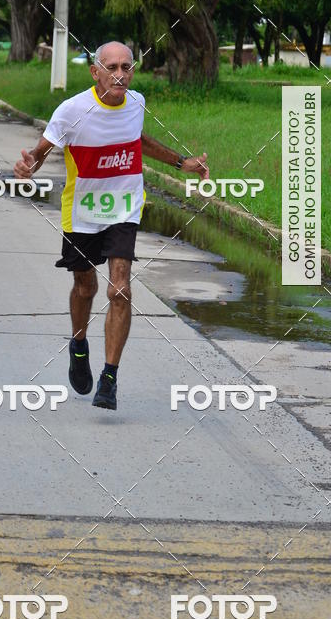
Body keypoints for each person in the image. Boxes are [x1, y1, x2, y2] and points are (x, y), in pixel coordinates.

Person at [13, 41, 209, 411]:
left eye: (126, 67)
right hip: (82, 212)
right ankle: (79, 344)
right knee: (85, 287)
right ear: (95, 72)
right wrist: (26, 167)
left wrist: (180, 161)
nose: (120, 74)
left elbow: (138, 139)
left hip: (124, 208)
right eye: (112, 67)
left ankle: (110, 377)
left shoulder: (136, 102)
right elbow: (40, 153)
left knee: (120, 289)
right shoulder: (72, 110)